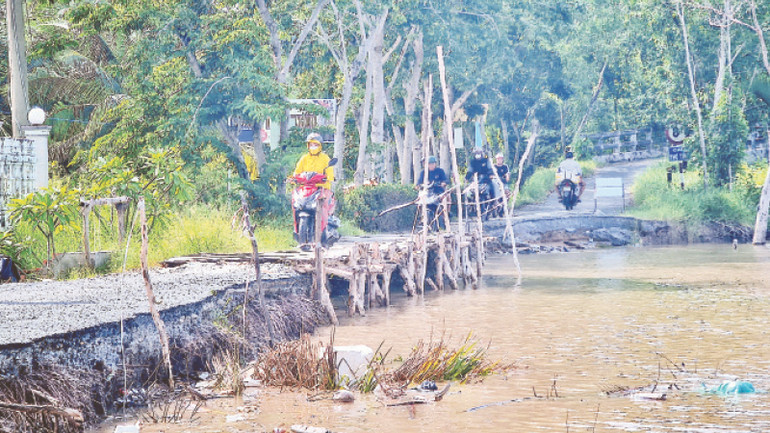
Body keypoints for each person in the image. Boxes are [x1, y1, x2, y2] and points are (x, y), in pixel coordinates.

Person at [416, 156, 449, 230]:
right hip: (427, 193)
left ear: (435, 164)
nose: (431, 166)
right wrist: (420, 185)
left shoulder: (440, 171)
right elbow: (418, 184)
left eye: (432, 164)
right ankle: (422, 217)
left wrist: (443, 183)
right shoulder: (423, 172)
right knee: (420, 201)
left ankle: (445, 215)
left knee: (444, 199)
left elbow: (445, 180)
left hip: (438, 191)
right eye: (429, 164)